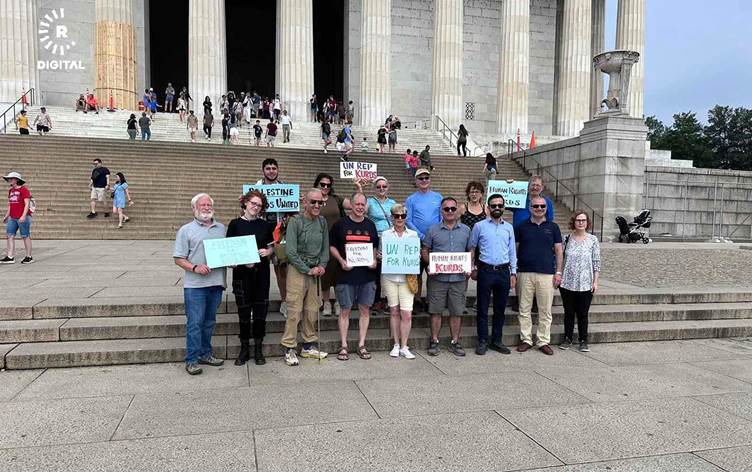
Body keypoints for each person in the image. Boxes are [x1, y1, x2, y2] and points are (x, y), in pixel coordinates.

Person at [173, 193, 227, 375]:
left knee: (209, 321)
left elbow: (227, 252)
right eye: (202, 205)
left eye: (208, 204)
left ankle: (206, 353)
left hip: (216, 283)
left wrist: (233, 259)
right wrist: (195, 267)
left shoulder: (221, 228)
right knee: (195, 323)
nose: (206, 208)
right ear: (194, 209)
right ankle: (192, 359)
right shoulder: (185, 230)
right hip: (195, 285)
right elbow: (179, 259)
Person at [281, 188, 330, 366]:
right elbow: (290, 251)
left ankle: (308, 344)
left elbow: (325, 247)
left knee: (312, 308)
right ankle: (289, 347)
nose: (317, 205)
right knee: (295, 309)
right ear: (306, 203)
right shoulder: (296, 221)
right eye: (313, 202)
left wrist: (322, 265)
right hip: (298, 268)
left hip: (315, 268)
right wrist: (306, 269)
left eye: (320, 202)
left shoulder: (322, 222)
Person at [227, 190, 276, 366]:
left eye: (259, 205)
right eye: (253, 203)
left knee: (261, 312)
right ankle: (244, 348)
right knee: (244, 312)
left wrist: (268, 251)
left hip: (261, 274)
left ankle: (258, 348)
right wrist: (236, 262)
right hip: (242, 275)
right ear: (246, 203)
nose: (256, 207)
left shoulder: (265, 225)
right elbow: (229, 249)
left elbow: (272, 248)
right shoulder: (235, 224)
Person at [329, 192, 379, 361]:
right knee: (345, 310)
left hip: (367, 275)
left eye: (362, 204)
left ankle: (361, 344)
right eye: (356, 204)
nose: (359, 207)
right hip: (346, 274)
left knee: (365, 309)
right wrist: (341, 261)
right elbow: (332, 246)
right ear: (351, 204)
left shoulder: (371, 225)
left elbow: (374, 246)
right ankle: (343, 345)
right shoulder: (340, 225)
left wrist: (373, 260)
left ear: (366, 206)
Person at [422, 196, 472, 356]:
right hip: (438, 279)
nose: (450, 211)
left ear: (457, 210)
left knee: (456, 311)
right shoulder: (432, 230)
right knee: (435, 311)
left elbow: (470, 250)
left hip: (458, 279)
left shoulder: (466, 230)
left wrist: (469, 265)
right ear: (441, 211)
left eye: (452, 208)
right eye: (446, 209)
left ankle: (455, 341)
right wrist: (430, 264)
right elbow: (425, 250)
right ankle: (434, 340)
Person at [515, 196, 563, 355]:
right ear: (530, 208)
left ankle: (543, 340)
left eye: (542, 206)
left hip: (547, 273)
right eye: (536, 206)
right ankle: (526, 339)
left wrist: (558, 272)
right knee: (524, 308)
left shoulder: (553, 227)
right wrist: (514, 270)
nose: (539, 209)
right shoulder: (521, 227)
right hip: (525, 272)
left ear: (546, 208)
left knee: (545, 310)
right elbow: (515, 249)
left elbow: (558, 251)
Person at [469, 194, 516, 355]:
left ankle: (497, 340)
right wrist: (472, 267)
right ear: (488, 208)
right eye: (493, 205)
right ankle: (482, 340)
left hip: (503, 271)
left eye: (500, 205)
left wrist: (513, 272)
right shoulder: (479, 226)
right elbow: (472, 248)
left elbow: (512, 251)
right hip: (485, 270)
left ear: (503, 208)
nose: (497, 208)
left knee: (500, 309)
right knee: (482, 308)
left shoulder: (509, 228)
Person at [559, 211, 600, 353]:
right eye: (578, 220)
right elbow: (560, 258)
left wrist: (595, 281)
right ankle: (567, 338)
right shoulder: (567, 238)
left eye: (583, 220)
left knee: (583, 313)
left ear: (587, 222)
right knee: (568, 312)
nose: (581, 222)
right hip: (567, 283)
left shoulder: (593, 240)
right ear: (573, 222)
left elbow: (596, 261)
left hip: (585, 282)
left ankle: (583, 340)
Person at [381, 204, 417, 359]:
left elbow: (414, 255)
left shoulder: (413, 235)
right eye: (397, 216)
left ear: (406, 217)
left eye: (402, 216)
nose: (400, 219)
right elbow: (382, 253)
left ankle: (404, 345)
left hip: (406, 278)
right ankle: (396, 344)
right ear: (392, 217)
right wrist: (381, 257)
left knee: (407, 313)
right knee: (394, 311)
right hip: (390, 277)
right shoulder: (385, 234)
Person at [256, 159, 291, 317]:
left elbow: (291, 211)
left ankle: (285, 301)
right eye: (268, 168)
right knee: (258, 269)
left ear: (278, 170)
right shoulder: (256, 188)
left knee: (281, 269)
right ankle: (257, 302)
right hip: (261, 231)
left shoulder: (285, 188)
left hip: (279, 231)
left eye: (274, 168)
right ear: (263, 170)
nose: (271, 171)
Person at [405, 168, 442, 310]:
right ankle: (418, 298)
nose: (424, 180)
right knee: (417, 270)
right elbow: (408, 219)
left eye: (426, 178)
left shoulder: (438, 197)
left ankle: (433, 299)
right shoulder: (411, 199)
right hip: (417, 239)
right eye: (421, 178)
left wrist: (435, 234)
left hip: (435, 239)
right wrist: (420, 235)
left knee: (433, 271)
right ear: (416, 181)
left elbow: (441, 217)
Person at [358, 176, 396, 312]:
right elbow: (361, 209)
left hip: (390, 239)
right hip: (375, 237)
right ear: (374, 188)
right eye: (378, 186)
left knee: (388, 270)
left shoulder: (392, 202)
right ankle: (376, 299)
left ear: (388, 188)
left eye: (384, 186)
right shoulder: (370, 201)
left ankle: (387, 300)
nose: (381, 189)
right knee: (376, 270)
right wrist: (360, 189)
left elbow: (398, 216)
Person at [314, 173, 347, 317]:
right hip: (320, 241)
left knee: (338, 272)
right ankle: (326, 302)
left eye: (328, 185)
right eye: (322, 184)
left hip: (337, 241)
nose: (325, 187)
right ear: (317, 184)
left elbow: (355, 204)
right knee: (325, 273)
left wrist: (359, 188)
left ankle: (339, 302)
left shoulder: (337, 199)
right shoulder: (313, 200)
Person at [2, 172, 33, 264]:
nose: (9, 180)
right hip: (12, 217)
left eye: (11, 178)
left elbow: (27, 204)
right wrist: (7, 215)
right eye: (9, 179)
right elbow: (10, 205)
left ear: (17, 180)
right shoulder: (10, 191)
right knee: (10, 235)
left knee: (25, 236)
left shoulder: (24, 190)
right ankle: (10, 256)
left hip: (23, 217)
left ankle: (29, 256)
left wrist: (23, 216)